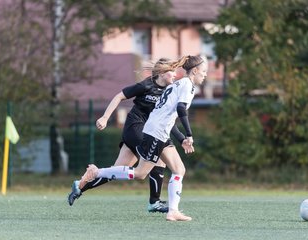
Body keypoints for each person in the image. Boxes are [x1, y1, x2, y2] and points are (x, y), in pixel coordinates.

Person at [68, 55, 208, 221]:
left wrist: (181, 138)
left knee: (126, 168)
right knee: (146, 169)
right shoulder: (148, 85)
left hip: (155, 129)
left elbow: (170, 119)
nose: (174, 75)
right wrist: (105, 117)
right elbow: (120, 96)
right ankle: (154, 202)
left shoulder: (171, 88)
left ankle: (81, 185)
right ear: (162, 73)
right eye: (171, 72)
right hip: (137, 128)